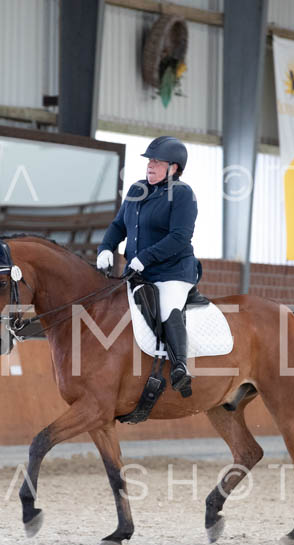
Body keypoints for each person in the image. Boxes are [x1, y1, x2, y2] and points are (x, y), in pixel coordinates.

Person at [96, 135, 199, 396]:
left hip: (172, 272)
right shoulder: (136, 190)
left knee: (167, 309)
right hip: (137, 273)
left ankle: (180, 368)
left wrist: (145, 258)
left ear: (174, 167)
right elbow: (119, 226)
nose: (150, 165)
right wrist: (105, 248)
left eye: (157, 162)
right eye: (149, 161)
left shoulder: (183, 194)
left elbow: (180, 237)